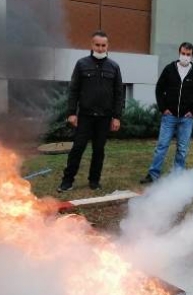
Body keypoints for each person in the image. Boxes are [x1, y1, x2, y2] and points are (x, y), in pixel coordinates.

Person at [58, 31, 123, 192]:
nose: (100, 48)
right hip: (85, 117)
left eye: (103, 45)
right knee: (77, 149)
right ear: (91, 44)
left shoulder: (114, 67)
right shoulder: (81, 64)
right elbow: (73, 90)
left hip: (104, 118)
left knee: (99, 150)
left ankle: (94, 181)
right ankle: (67, 181)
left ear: (107, 46)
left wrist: (116, 117)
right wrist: (71, 113)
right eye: (97, 45)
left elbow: (118, 94)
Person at [140, 42, 193, 184]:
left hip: (186, 119)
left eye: (188, 54)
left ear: (192, 55)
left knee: (182, 148)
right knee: (162, 146)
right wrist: (163, 108)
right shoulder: (170, 69)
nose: (185, 56)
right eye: (183, 53)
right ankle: (153, 174)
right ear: (179, 53)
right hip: (169, 116)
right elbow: (159, 89)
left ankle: (177, 175)